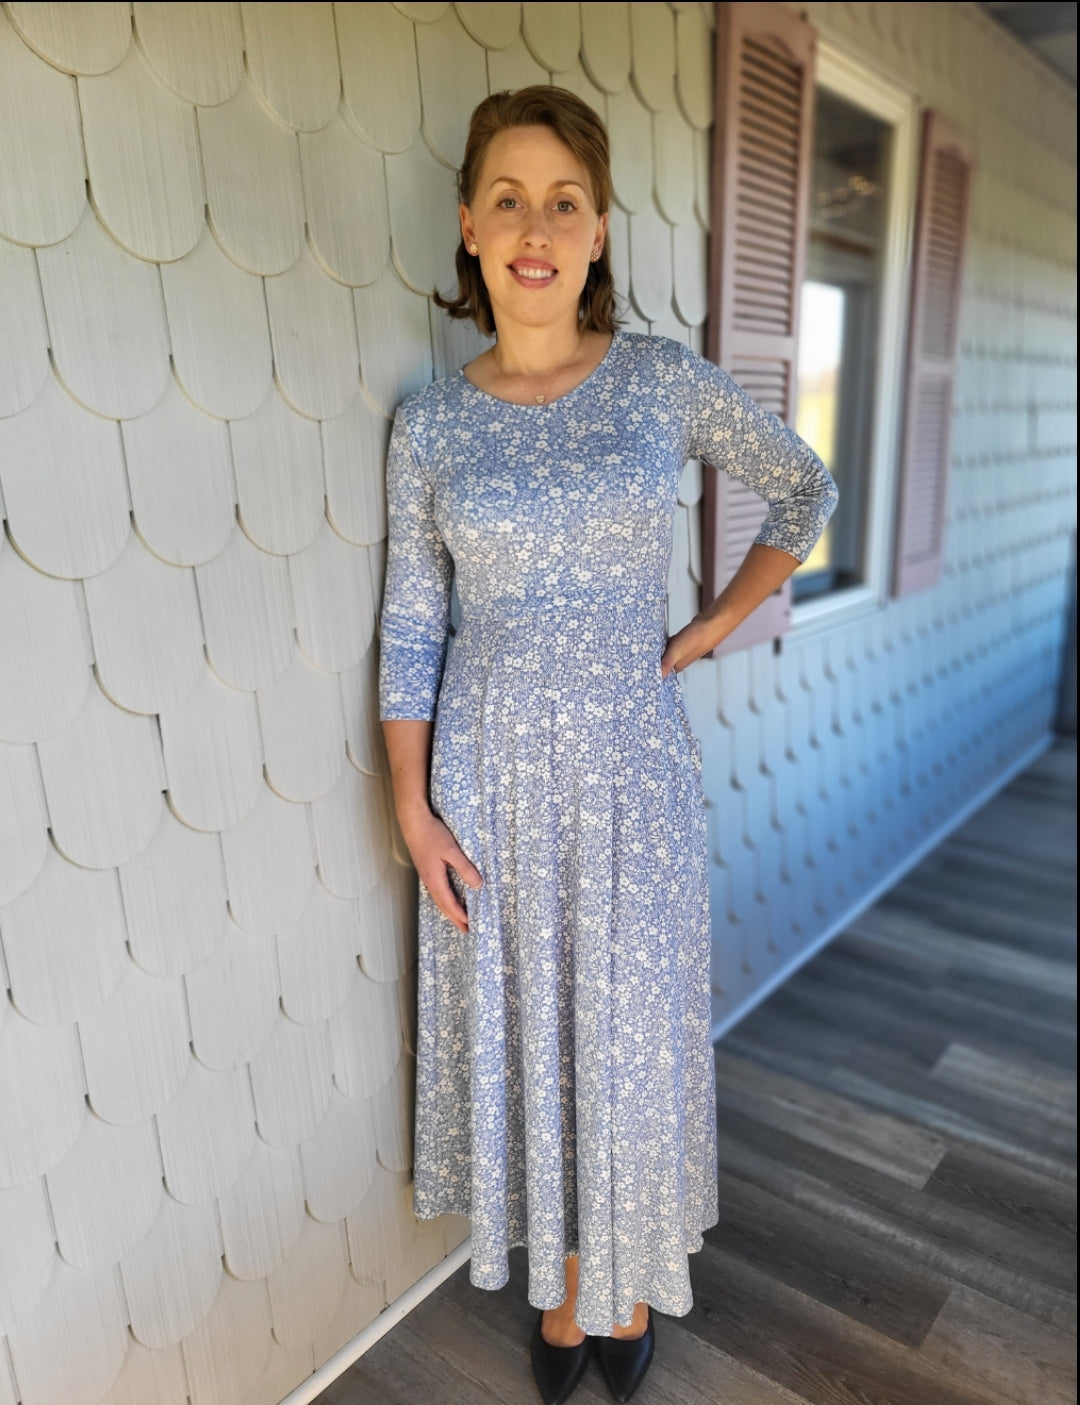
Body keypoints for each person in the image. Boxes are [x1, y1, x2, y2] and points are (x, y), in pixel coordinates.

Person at [378, 86, 838, 1405]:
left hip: (631, 776)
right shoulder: (432, 424)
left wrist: (711, 627)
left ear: (597, 231)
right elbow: (410, 626)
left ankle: (620, 1278)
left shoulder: (656, 382)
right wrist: (412, 807)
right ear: (469, 227)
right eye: (508, 200)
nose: (535, 228)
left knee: (624, 1040)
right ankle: (564, 1276)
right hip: (487, 786)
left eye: (563, 202)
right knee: (533, 1033)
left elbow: (803, 485)